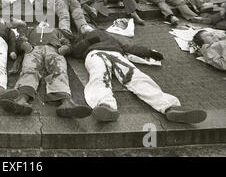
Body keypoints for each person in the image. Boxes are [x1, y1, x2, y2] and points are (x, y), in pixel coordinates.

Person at [70, 28, 207, 124]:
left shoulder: (110, 36)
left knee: (136, 76)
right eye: (83, 27)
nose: (86, 27)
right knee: (100, 76)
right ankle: (105, 105)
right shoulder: (82, 38)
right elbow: (75, 51)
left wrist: (149, 52)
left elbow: (128, 47)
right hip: (94, 54)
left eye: (88, 25)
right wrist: (87, 41)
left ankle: (170, 107)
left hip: (117, 54)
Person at [0, 21, 92, 118]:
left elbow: (67, 42)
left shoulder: (56, 31)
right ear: (37, 25)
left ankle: (66, 101)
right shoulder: (31, 30)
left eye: (47, 22)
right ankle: (21, 99)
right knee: (29, 70)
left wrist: (66, 47)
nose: (44, 22)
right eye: (42, 22)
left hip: (54, 49)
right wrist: (24, 44)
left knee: (58, 70)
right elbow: (21, 39)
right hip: (34, 49)